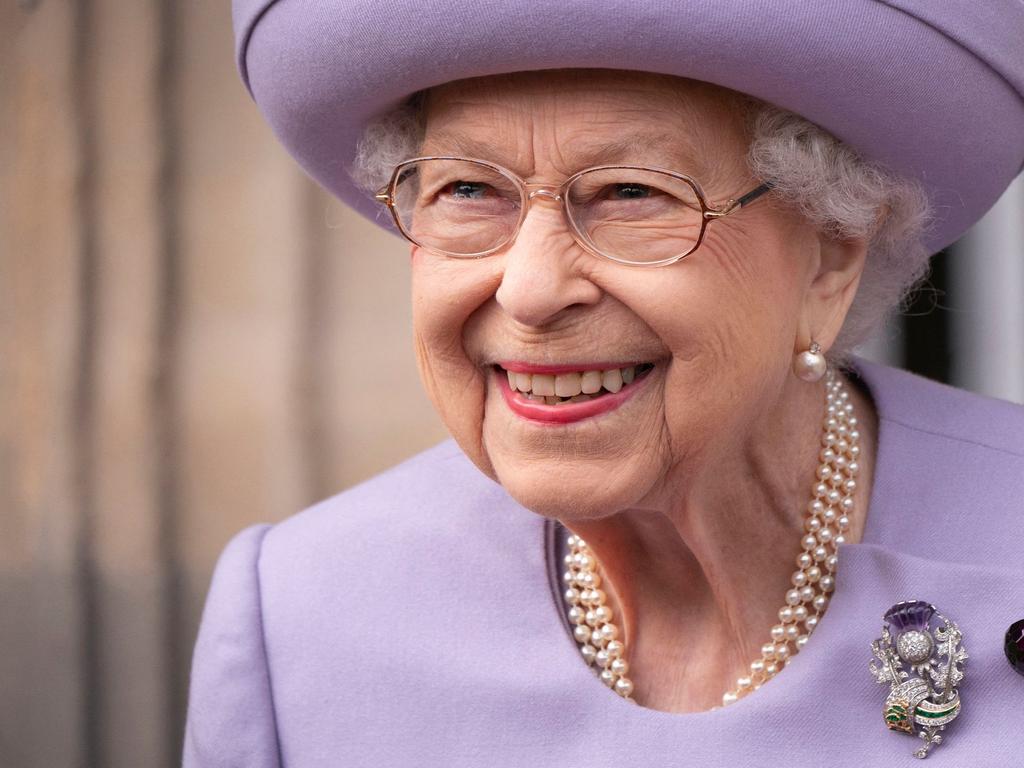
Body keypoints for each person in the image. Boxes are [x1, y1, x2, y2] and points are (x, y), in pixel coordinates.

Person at [184, 2, 1024, 765]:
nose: (530, 289)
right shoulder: (299, 617)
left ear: (831, 253)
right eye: (467, 190)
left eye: (631, 193)